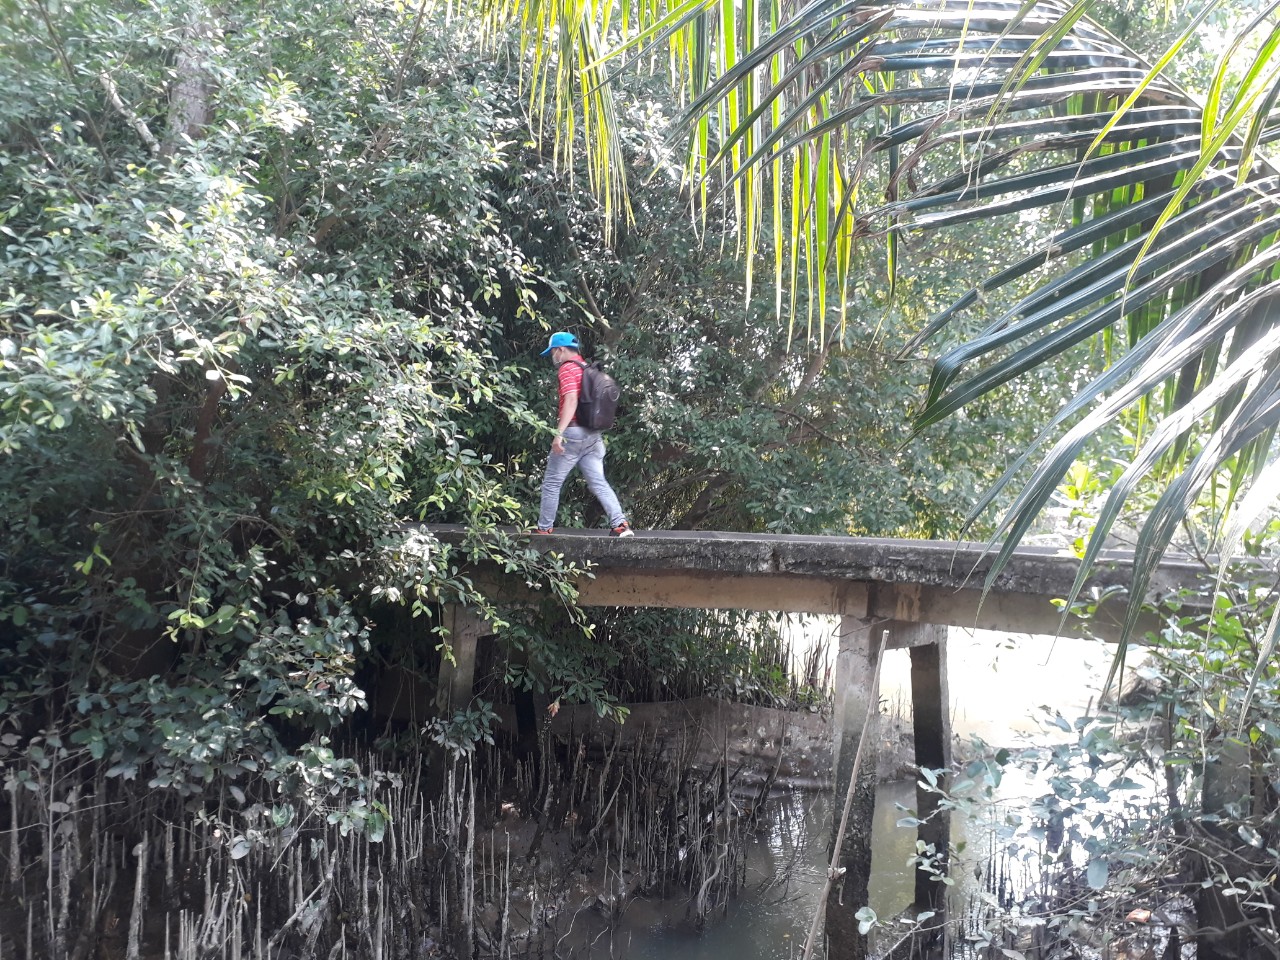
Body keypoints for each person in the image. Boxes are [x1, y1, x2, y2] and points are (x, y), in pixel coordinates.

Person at [535, 331, 634, 537]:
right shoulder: (587, 368)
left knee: (552, 482)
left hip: (573, 433)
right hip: (592, 436)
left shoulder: (567, 369)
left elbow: (571, 400)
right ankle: (620, 524)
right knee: (599, 482)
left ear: (561, 350)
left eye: (553, 352)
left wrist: (558, 434)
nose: (553, 356)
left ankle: (544, 529)